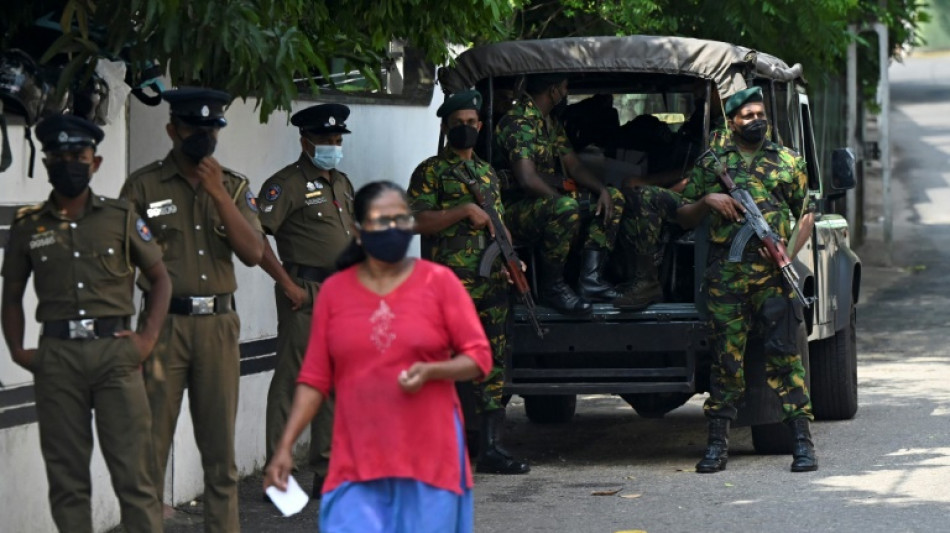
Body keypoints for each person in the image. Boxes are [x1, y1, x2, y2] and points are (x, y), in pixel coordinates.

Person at [264, 181, 492, 532]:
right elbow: (314, 379)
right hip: (357, 459)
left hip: (430, 457)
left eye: (401, 219)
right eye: (381, 220)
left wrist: (432, 371)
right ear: (358, 231)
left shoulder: (439, 282)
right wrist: (284, 447)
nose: (394, 228)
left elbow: (479, 358)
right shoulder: (335, 294)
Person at [1, 114, 170, 532]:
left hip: (116, 355)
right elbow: (11, 296)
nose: (69, 163)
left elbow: (161, 279)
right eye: (59, 156)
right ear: (46, 163)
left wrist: (146, 339)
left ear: (95, 163)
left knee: (136, 479)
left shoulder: (121, 216)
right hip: (57, 360)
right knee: (67, 481)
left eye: (78, 155)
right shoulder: (29, 226)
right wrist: (19, 350)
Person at [120, 87, 265, 531]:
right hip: (163, 328)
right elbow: (120, 262)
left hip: (219, 327)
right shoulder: (143, 186)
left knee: (221, 460)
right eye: (192, 128)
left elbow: (254, 252)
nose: (202, 135)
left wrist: (218, 194)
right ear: (172, 130)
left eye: (211, 128)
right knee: (148, 454)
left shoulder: (235, 186)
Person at [675, 86, 817, 473]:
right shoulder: (713, 164)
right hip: (728, 277)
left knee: (785, 357)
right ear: (732, 122)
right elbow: (682, 216)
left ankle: (802, 443)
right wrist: (707, 202)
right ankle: (717, 446)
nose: (756, 120)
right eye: (748, 115)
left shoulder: (788, 161)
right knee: (726, 362)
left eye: (760, 114)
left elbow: (805, 213)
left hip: (774, 275)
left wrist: (786, 249)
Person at [408, 89, 530, 475]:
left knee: (491, 363)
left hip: (491, 280)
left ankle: (490, 448)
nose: (466, 129)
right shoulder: (431, 171)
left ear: (480, 125)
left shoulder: (487, 172)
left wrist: (513, 259)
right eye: (458, 123)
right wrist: (462, 210)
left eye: (471, 123)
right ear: (446, 125)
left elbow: (499, 223)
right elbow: (415, 221)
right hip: (449, 284)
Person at [258, 103, 356, 496]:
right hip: (307, 293)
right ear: (305, 141)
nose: (333, 146)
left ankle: (327, 468)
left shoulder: (342, 182)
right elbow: (256, 234)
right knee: (292, 382)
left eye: (337, 140)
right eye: (326, 140)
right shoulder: (287, 184)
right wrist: (287, 285)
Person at [493, 73, 625, 313]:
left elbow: (573, 165)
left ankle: (590, 280)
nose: (566, 93)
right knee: (566, 208)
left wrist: (602, 190)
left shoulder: (549, 122)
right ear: (553, 91)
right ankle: (552, 288)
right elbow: (527, 179)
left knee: (614, 197)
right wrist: (565, 205)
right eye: (564, 87)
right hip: (514, 210)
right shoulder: (518, 122)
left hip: (543, 205)